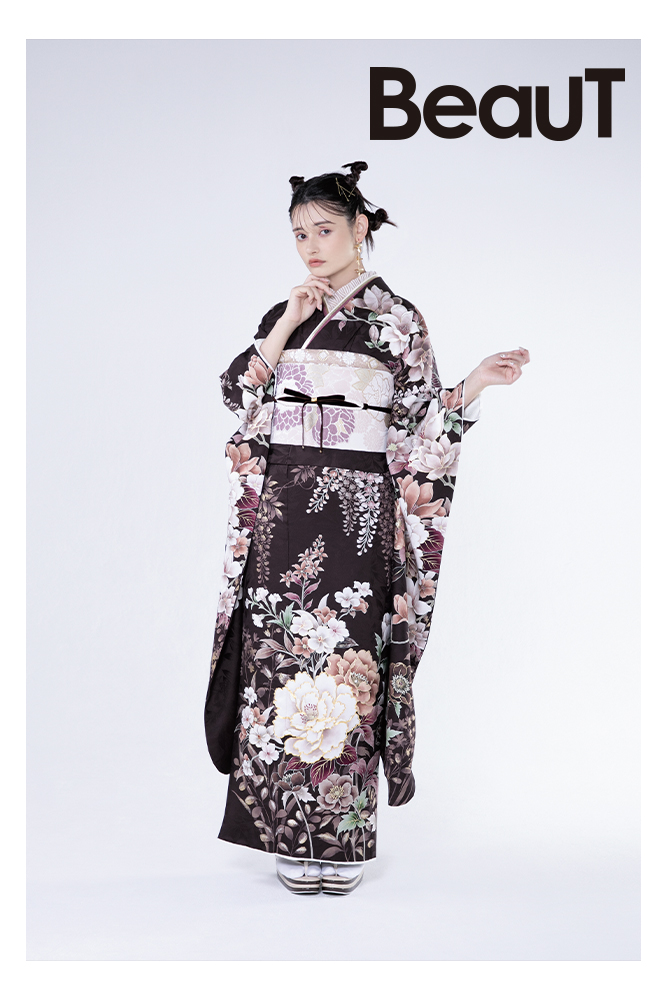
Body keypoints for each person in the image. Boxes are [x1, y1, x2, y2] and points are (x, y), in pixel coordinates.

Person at [204, 161, 529, 895]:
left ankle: (340, 840)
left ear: (360, 229)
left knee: (352, 663)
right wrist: (285, 322)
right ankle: (284, 831)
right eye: (299, 235)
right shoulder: (284, 312)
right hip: (284, 508)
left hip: (357, 511)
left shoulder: (398, 319)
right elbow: (237, 395)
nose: (311, 246)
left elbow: (418, 422)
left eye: (324, 230)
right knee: (278, 660)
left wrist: (475, 384)